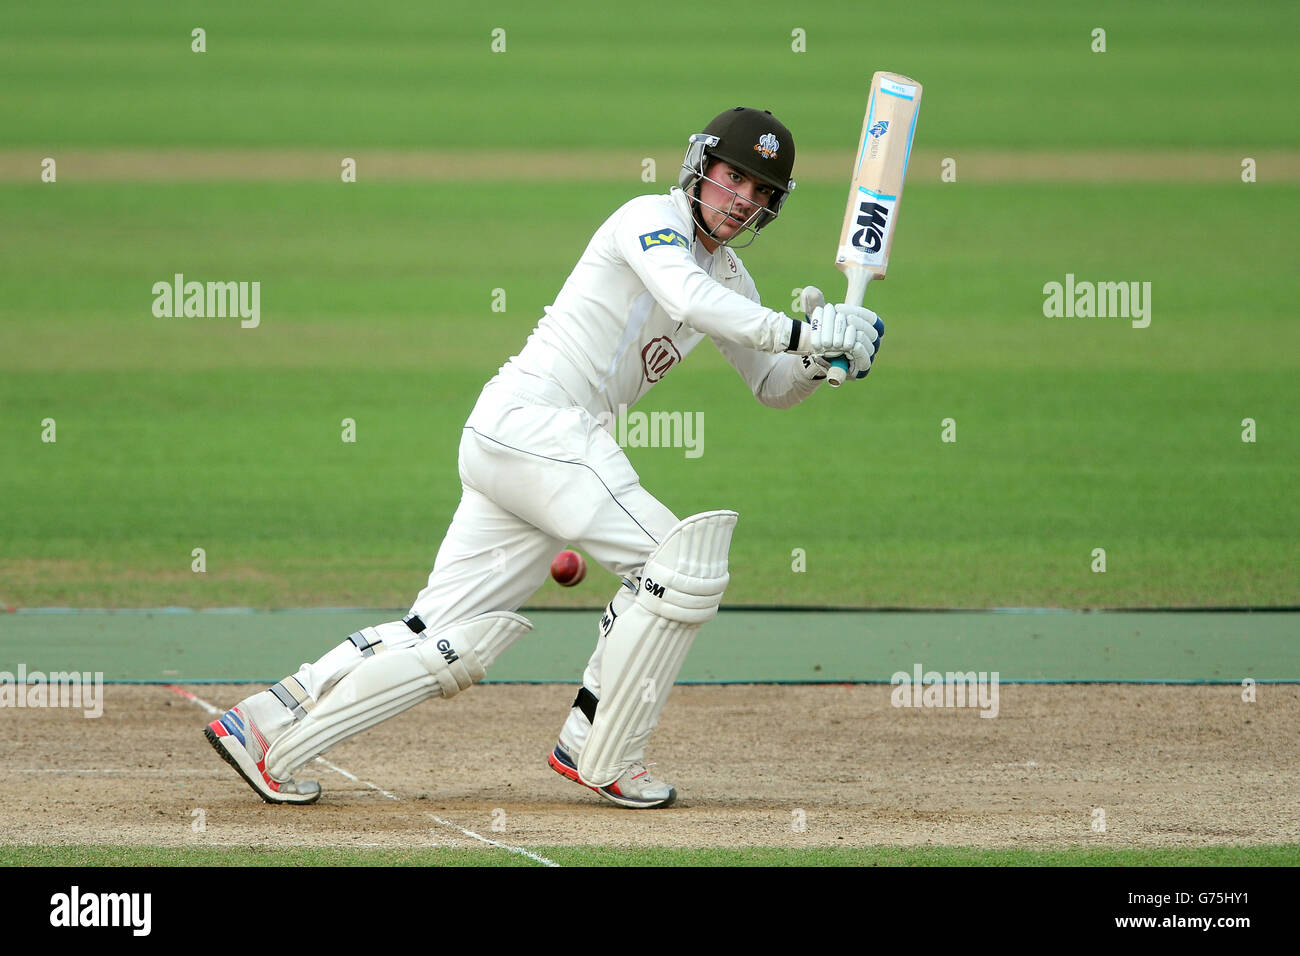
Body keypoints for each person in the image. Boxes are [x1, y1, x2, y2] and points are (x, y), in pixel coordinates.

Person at [204, 106, 885, 809]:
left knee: (437, 636)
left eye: (760, 190)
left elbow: (770, 387)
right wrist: (800, 329)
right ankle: (597, 745)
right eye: (733, 176)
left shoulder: (734, 282)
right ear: (702, 167)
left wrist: (818, 360)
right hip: (542, 424)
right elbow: (686, 295)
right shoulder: (648, 218)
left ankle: (260, 724)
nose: (741, 198)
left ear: (772, 206)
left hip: (529, 447)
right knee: (680, 566)